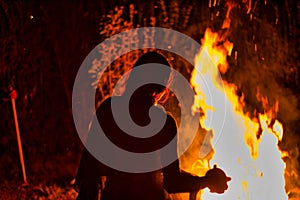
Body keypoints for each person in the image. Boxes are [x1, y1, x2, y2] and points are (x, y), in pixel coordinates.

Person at [75, 52, 230, 200]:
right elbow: (173, 182)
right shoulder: (163, 124)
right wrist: (208, 181)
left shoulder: (108, 110)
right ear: (162, 88)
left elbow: (89, 167)